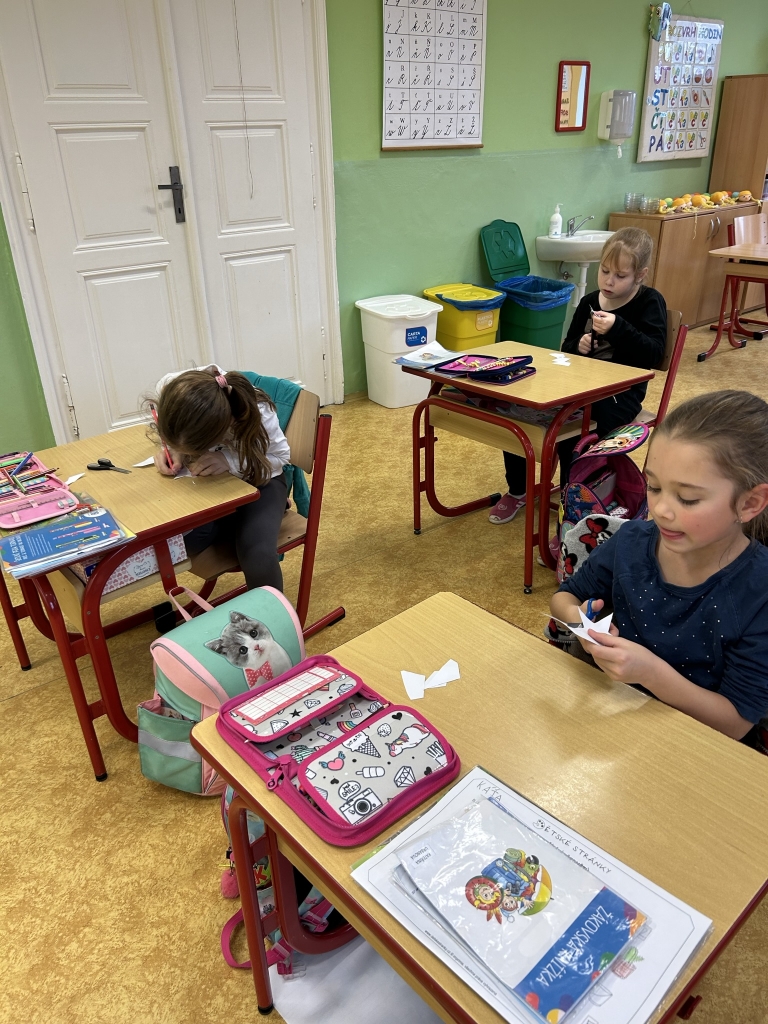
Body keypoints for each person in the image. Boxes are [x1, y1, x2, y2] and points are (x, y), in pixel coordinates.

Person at [550, 390, 768, 749]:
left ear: (749, 503)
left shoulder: (758, 593)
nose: (661, 510)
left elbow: (735, 724)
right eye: (653, 486)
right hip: (610, 718)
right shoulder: (632, 542)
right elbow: (565, 598)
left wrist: (650, 673)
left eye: (687, 498)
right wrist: (584, 627)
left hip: (696, 746)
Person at [489, 227, 666, 525]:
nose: (609, 281)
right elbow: (567, 348)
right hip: (578, 386)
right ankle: (519, 489)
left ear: (640, 275)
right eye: (604, 271)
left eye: (620, 275)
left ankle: (574, 512)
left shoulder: (649, 302)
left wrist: (618, 328)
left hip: (619, 396)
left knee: (574, 434)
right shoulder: (590, 301)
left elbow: (654, 354)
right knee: (520, 410)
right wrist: (578, 346)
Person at [150, 364, 290, 591]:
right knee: (189, 541)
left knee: (256, 553)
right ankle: (241, 518)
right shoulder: (170, 387)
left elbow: (281, 457)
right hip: (211, 484)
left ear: (223, 432)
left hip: (261, 480)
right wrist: (173, 449)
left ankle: (273, 614)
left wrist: (229, 461)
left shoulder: (258, 411)